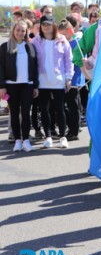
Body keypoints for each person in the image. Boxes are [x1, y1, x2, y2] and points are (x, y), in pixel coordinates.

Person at [33, 15, 73, 149]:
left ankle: (62, 136)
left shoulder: (62, 40)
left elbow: (68, 60)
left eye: (48, 24)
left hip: (58, 80)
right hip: (42, 81)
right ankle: (48, 136)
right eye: (43, 24)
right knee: (44, 110)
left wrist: (68, 78)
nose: (46, 27)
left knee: (60, 109)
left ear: (53, 25)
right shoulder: (36, 41)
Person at [0, 20, 39, 152]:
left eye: (23, 30)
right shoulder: (5, 47)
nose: (20, 33)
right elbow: (1, 68)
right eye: (18, 30)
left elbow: (35, 68)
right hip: (11, 86)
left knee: (26, 113)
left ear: (26, 32)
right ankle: (17, 140)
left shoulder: (30, 47)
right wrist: (2, 86)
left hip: (27, 85)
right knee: (14, 113)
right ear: (13, 31)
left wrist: (35, 86)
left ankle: (26, 140)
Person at [59, 19, 83, 141]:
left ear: (70, 31)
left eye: (64, 34)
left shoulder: (76, 43)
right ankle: (73, 128)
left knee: (73, 106)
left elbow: (77, 61)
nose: (62, 37)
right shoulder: (64, 43)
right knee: (69, 105)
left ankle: (74, 130)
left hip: (74, 79)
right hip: (66, 79)